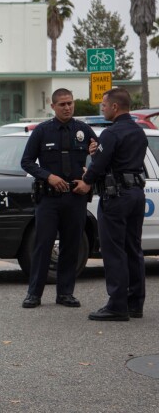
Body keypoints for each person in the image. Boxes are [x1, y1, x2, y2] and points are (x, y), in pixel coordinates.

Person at [73, 88, 147, 321]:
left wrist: (87, 178)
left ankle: (116, 306)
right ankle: (135, 303)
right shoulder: (138, 131)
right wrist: (98, 156)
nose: (102, 108)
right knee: (133, 249)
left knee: (114, 251)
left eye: (104, 105)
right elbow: (121, 161)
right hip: (136, 194)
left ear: (115, 107)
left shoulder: (111, 133)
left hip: (116, 198)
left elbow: (100, 166)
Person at [20, 88, 98, 309]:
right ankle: (34, 294)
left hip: (75, 198)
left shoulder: (83, 129)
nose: (67, 107)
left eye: (70, 103)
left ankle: (65, 293)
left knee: (71, 246)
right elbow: (26, 162)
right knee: (43, 245)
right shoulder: (43, 132)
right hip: (49, 199)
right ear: (52, 106)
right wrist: (49, 176)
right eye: (62, 104)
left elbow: (101, 157)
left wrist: (89, 179)